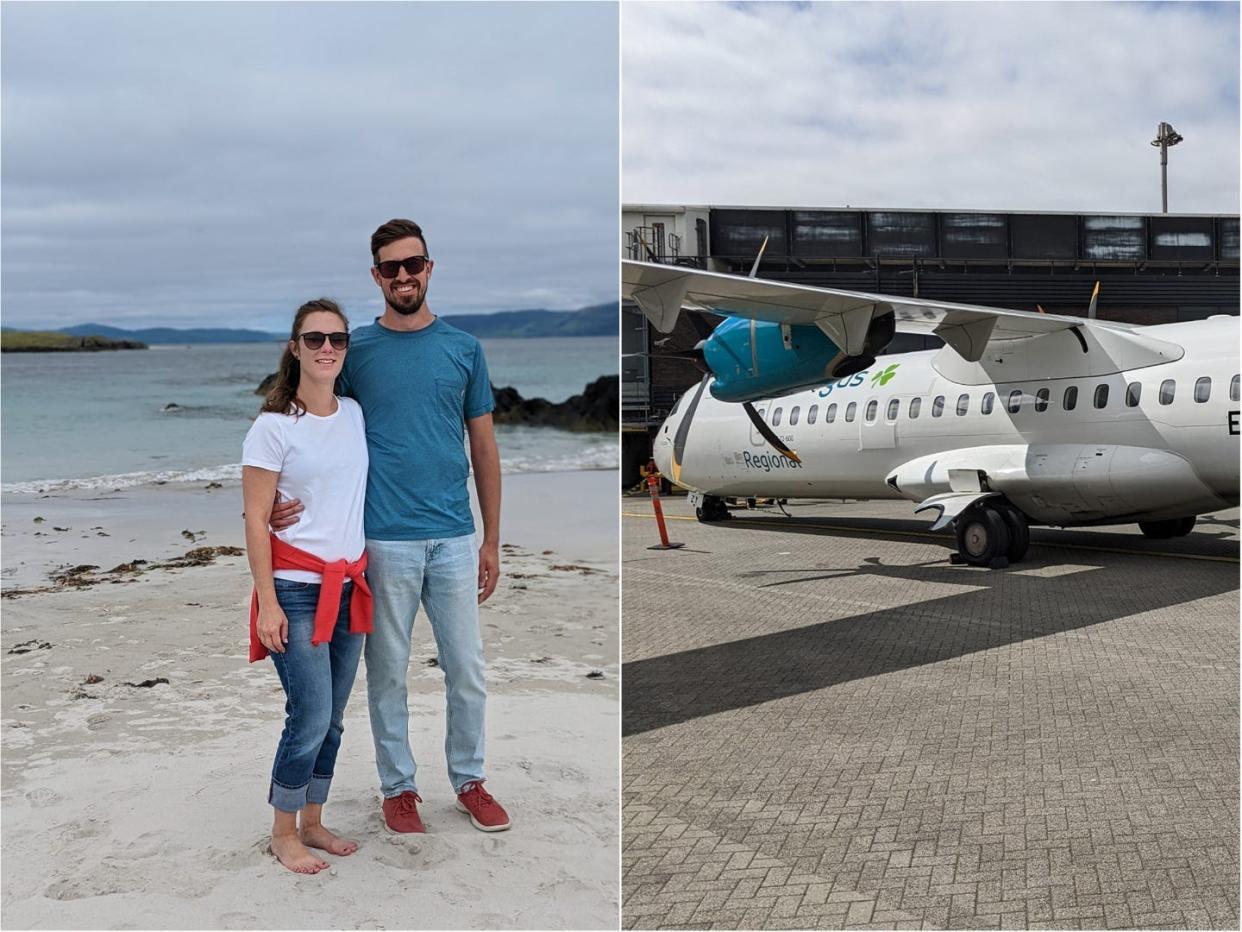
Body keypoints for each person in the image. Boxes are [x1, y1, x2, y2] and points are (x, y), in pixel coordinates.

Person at [271, 219, 509, 834]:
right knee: (388, 674)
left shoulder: (464, 348)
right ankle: (398, 789)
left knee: (468, 669)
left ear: (430, 268)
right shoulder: (356, 352)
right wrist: (272, 497)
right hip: (381, 541)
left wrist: (491, 537)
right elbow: (304, 420)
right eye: (390, 268)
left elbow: (483, 447)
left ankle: (470, 780)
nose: (403, 276)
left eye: (414, 264)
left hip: (455, 537)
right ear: (376, 275)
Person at [242, 298, 373, 873]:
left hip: (350, 587)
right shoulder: (271, 427)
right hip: (294, 592)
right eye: (314, 339)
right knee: (310, 714)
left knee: (335, 717)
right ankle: (282, 830)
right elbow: (253, 517)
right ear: (294, 347)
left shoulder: (354, 414)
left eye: (337, 340)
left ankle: (314, 821)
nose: (327, 349)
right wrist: (267, 603)